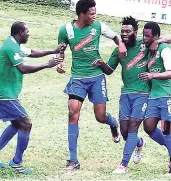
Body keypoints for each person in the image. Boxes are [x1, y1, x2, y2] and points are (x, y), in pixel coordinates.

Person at [92, 16, 171, 174]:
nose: (124, 33)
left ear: (135, 32)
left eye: (128, 31)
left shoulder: (144, 43)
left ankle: (123, 165)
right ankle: (140, 143)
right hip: (126, 93)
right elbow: (110, 70)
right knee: (124, 131)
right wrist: (101, 63)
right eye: (122, 31)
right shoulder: (119, 50)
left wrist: (157, 42)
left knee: (133, 125)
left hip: (143, 93)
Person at [0, 21, 64, 174]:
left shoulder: (15, 44)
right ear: (20, 33)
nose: (29, 34)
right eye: (27, 32)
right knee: (26, 123)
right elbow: (23, 68)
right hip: (3, 93)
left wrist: (53, 51)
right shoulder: (11, 46)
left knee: (17, 124)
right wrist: (47, 64)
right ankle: (16, 162)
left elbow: (32, 53)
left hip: (6, 92)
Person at [56, 0, 127, 170]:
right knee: (73, 111)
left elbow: (116, 36)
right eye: (92, 13)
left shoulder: (99, 26)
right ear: (82, 14)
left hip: (96, 78)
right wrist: (60, 62)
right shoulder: (66, 30)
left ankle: (112, 124)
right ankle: (73, 160)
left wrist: (122, 45)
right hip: (77, 78)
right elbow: (61, 48)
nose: (94, 16)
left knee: (100, 117)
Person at [138, 21, 171, 175]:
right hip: (155, 95)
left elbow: (170, 72)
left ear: (156, 36)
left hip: (169, 93)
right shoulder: (147, 48)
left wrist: (152, 75)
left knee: (167, 129)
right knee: (149, 127)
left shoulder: (164, 49)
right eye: (144, 35)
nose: (144, 38)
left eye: (148, 36)